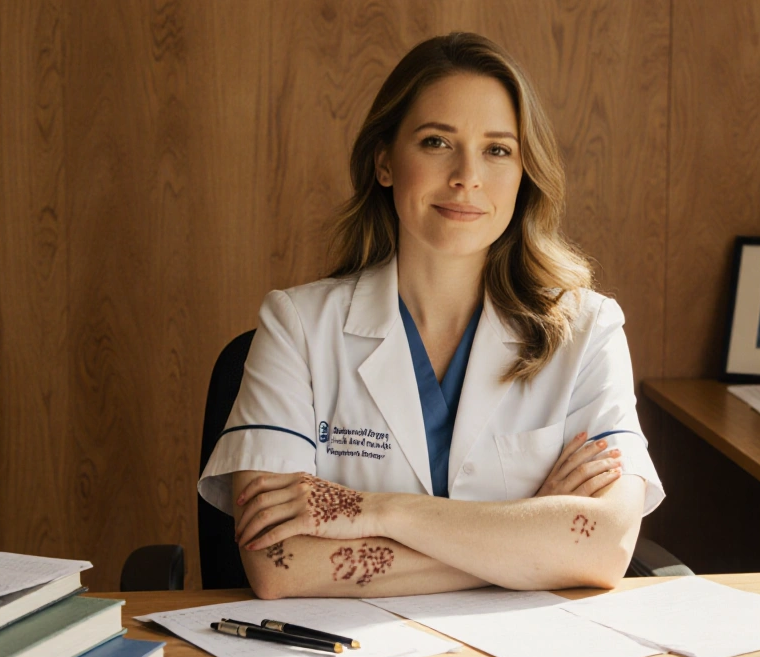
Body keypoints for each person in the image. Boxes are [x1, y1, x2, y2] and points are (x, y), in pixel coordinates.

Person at [196, 33, 664, 600]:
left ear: (524, 174)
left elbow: (607, 546)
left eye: (498, 149)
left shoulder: (588, 331)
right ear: (385, 161)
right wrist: (530, 535)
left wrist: (377, 512)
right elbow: (280, 564)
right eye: (437, 142)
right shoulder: (297, 325)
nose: (468, 175)